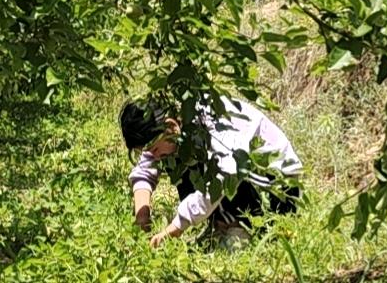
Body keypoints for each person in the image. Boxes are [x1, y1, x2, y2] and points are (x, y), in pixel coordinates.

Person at [120, 95, 302, 248]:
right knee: (175, 155)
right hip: (243, 176)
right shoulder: (171, 125)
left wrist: (175, 227)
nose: (154, 156)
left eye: (153, 149)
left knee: (217, 167)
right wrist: (142, 217)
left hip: (276, 187)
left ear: (171, 126)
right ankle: (222, 224)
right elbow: (145, 168)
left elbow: (226, 174)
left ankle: (239, 229)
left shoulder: (213, 120)